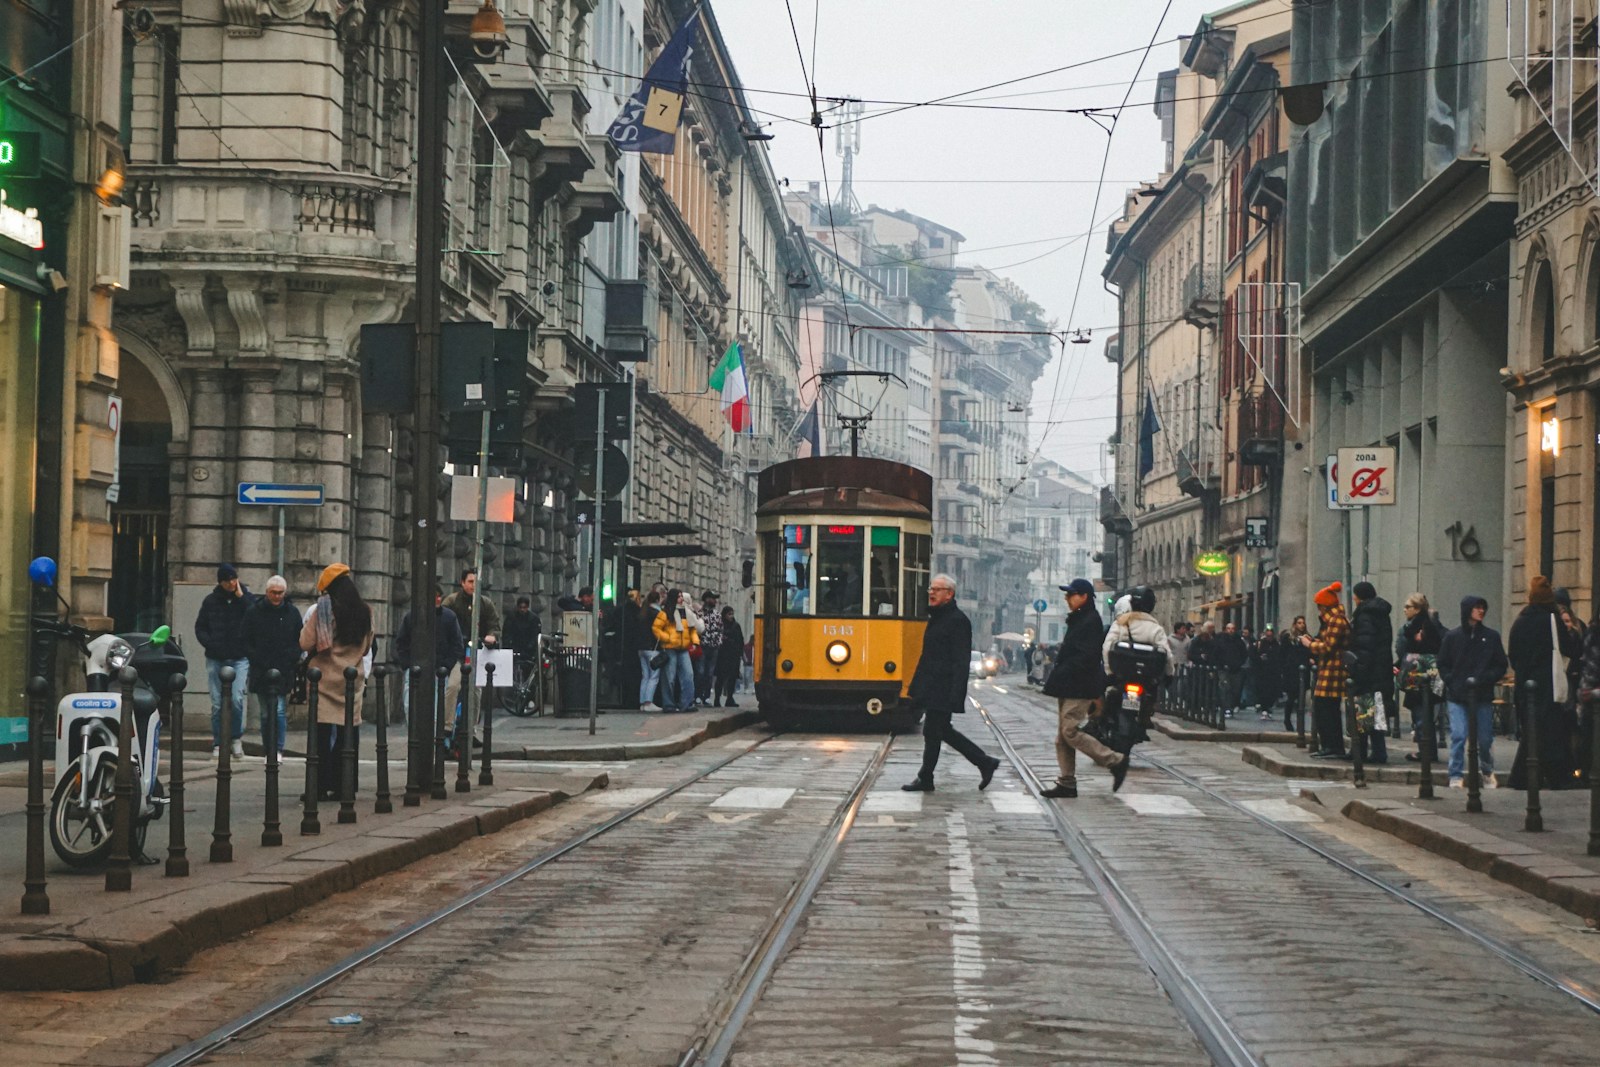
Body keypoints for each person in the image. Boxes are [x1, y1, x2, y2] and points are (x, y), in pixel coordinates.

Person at [900, 574, 1000, 792]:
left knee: (934, 730)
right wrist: (917, 686)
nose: (931, 593)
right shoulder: (936, 618)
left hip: (944, 688)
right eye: (931, 589)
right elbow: (927, 657)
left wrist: (957, 694)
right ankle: (984, 762)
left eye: (937, 589)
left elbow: (961, 661)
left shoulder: (958, 621)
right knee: (940, 731)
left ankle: (927, 776)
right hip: (932, 685)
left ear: (949, 594)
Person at [1039, 578, 1128, 798]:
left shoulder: (1089, 620)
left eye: (1071, 594)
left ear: (1084, 597)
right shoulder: (1080, 618)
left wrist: (1064, 671)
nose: (1067, 598)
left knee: (1069, 731)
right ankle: (1067, 782)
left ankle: (1115, 760)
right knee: (1062, 736)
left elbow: (1085, 657)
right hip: (1069, 683)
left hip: (1079, 684)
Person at [299, 564, 375, 798]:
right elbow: (367, 647)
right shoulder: (365, 611)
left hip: (323, 680)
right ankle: (346, 786)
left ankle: (319, 786)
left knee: (321, 735)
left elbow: (305, 643)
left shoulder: (324, 610)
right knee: (348, 733)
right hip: (351, 680)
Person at [1507, 576, 1582, 790]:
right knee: (1552, 732)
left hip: (1525, 684)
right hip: (1547, 683)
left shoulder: (1520, 620)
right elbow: (1570, 649)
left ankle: (1524, 777)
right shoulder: (1552, 619)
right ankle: (1558, 777)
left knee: (1532, 731)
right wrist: (1575, 635)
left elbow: (1513, 654)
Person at [1437, 595, 1508, 789]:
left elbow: (1501, 664)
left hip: (1482, 693)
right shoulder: (1453, 637)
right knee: (1459, 735)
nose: (1481, 611)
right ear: (1467, 610)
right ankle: (1456, 774)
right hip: (1458, 694)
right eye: (1477, 608)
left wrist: (1486, 678)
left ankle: (1486, 770)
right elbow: (1442, 663)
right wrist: (1451, 680)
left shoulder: (1491, 636)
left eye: (1483, 608)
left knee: (1484, 738)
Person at [195, 563, 253, 758]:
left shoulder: (245, 598)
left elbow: (255, 615)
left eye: (233, 579)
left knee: (237, 699)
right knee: (217, 703)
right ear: (221, 582)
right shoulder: (211, 601)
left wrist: (242, 598)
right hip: (216, 657)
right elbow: (200, 627)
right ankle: (219, 741)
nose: (231, 583)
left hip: (239, 656)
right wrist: (210, 643)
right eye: (227, 580)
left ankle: (236, 738)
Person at [241, 575, 301, 763]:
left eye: (280, 593)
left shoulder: (292, 613)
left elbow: (299, 639)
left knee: (280, 711)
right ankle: (269, 748)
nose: (277, 596)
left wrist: (291, 657)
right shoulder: (254, 612)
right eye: (273, 593)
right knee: (266, 713)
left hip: (283, 668)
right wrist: (257, 658)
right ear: (267, 593)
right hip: (261, 668)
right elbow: (245, 639)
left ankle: (278, 749)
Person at [395, 586, 466, 729]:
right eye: (435, 596)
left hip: (438, 669)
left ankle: (434, 740)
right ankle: (415, 736)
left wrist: (446, 666)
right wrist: (407, 664)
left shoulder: (449, 617)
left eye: (440, 596)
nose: (438, 599)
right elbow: (402, 642)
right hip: (416, 668)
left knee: (436, 708)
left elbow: (457, 645)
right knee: (411, 706)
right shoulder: (411, 617)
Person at [1301, 583, 1351, 759]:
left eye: (1319, 606)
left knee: (1327, 707)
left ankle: (1332, 746)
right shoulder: (1331, 620)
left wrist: (1310, 645)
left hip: (1334, 669)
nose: (1319, 610)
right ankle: (1329, 745)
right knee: (1324, 707)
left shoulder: (1336, 619)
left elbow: (1329, 646)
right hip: (1329, 668)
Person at [1349, 581, 1395, 764]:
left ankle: (1359, 752)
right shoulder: (1381, 614)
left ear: (1359, 597)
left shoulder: (1365, 615)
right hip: (1381, 668)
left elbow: (1365, 645)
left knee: (1364, 712)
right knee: (1377, 713)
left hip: (1369, 670)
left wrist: (1358, 669)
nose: (1353, 598)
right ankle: (1378, 751)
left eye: (1355, 595)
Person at [1396, 593, 1444, 762]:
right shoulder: (1424, 623)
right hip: (1421, 675)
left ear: (1416, 609)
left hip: (1420, 676)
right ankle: (1427, 750)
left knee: (1422, 714)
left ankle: (1427, 752)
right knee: (1424, 713)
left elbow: (1408, 649)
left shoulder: (1422, 625)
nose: (1404, 610)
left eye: (1407, 607)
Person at [652, 589, 700, 713]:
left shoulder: (686, 612)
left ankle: (687, 703)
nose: (681, 599)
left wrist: (694, 642)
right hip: (670, 648)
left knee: (688, 675)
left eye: (681, 596)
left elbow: (692, 629)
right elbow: (656, 628)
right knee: (669, 677)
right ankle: (668, 704)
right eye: (678, 596)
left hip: (683, 648)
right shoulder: (665, 612)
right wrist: (667, 638)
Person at [636, 590, 664, 710]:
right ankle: (648, 702)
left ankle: (642, 702)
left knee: (645, 676)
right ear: (658, 600)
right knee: (654, 676)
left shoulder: (643, 612)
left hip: (641, 648)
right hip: (653, 647)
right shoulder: (657, 613)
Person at [1215, 621, 1247, 717]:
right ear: (1225, 630)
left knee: (1235, 689)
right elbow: (1216, 653)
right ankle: (1226, 708)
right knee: (1225, 688)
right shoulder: (1220, 640)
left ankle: (1232, 706)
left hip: (1236, 669)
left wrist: (1239, 663)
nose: (1230, 631)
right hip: (1223, 668)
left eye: (1232, 629)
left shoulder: (1239, 641)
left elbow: (1244, 654)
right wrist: (1220, 664)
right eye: (1229, 629)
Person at [696, 590, 723, 706]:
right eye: (713, 598)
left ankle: (706, 696)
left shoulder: (717, 614)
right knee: (700, 671)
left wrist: (718, 641)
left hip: (714, 646)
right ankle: (697, 695)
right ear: (706, 599)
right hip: (702, 645)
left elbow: (720, 629)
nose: (715, 601)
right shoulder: (699, 613)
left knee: (710, 673)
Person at [714, 606, 744, 707]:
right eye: (729, 614)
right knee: (720, 678)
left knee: (732, 679)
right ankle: (717, 699)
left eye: (732, 614)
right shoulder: (720, 625)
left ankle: (729, 698)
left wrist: (740, 654)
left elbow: (740, 641)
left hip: (733, 656)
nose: (731, 616)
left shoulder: (736, 626)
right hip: (722, 656)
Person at [1252, 630, 1283, 721]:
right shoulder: (1260, 644)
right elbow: (1253, 655)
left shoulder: (1276, 644)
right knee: (1263, 691)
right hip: (1262, 672)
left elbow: (1279, 656)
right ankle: (1264, 708)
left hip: (1273, 672)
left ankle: (1268, 707)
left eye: (1271, 636)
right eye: (1267, 636)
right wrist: (1259, 658)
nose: (1269, 637)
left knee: (1272, 691)